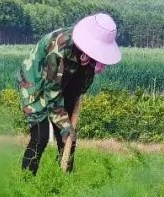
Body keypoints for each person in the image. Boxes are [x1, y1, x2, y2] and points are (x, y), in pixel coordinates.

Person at [17, 13, 121, 174]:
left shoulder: (91, 59)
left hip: (64, 83)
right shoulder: (59, 49)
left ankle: (63, 182)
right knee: (40, 137)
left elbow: (79, 87)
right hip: (35, 84)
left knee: (69, 139)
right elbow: (51, 93)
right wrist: (65, 126)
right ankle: (24, 184)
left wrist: (68, 128)